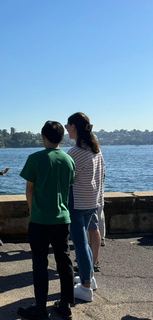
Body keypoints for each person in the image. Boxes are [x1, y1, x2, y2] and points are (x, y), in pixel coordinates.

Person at [18, 121, 75, 320]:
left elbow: (30, 190)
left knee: (40, 264)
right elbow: (67, 186)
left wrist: (33, 211)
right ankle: (66, 305)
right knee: (64, 261)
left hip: (41, 219)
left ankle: (41, 309)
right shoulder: (68, 160)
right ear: (61, 138)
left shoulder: (35, 159)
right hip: (62, 218)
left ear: (43, 137)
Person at [66, 112, 105, 302]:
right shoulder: (96, 150)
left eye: (68, 124)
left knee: (80, 244)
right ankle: (89, 278)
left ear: (74, 127)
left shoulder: (75, 153)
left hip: (78, 202)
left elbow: (67, 179)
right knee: (85, 243)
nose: (66, 128)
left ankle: (85, 288)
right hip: (92, 201)